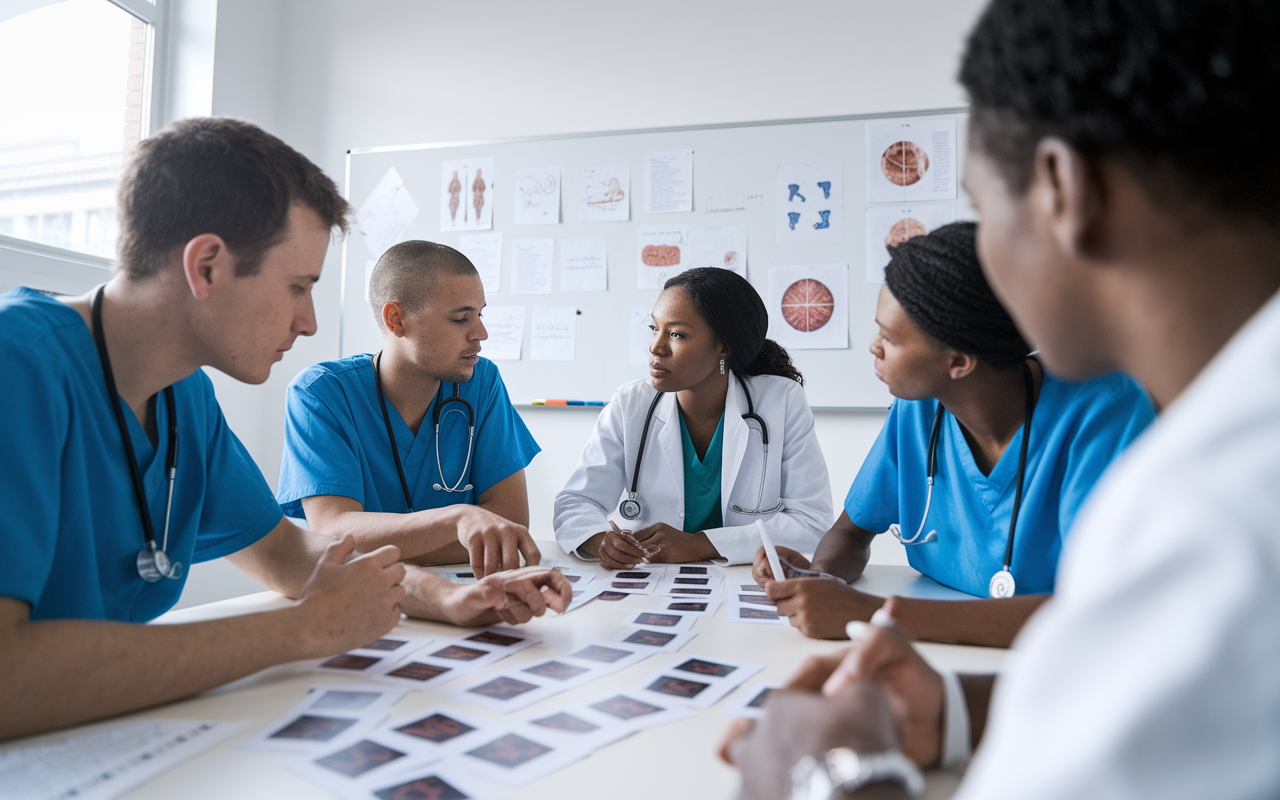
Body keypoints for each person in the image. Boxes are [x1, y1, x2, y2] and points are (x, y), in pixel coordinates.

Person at [724, 0, 1280, 797]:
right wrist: (957, 706)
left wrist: (832, 775)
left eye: (983, 210)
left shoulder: (1212, 512)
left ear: (1063, 187)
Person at [0, 118, 568, 742]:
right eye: (298, 287)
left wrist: (446, 600)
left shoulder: (184, 393)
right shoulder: (18, 363)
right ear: (207, 266)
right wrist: (296, 631)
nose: (309, 322)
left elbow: (288, 551)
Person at [754, 222, 1153, 647]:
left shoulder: (1106, 412)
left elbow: (1101, 609)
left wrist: (873, 615)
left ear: (959, 361)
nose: (874, 347)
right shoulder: (918, 408)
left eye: (889, 336)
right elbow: (851, 533)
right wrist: (820, 578)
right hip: (941, 652)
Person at [278, 240, 543, 580]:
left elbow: (510, 523)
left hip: (466, 588)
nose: (481, 333)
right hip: (362, 598)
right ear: (396, 319)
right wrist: (459, 521)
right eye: (461, 318)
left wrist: (380, 545)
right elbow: (333, 532)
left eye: (480, 314)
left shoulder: (482, 381)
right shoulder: (321, 394)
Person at [555, 267, 832, 567]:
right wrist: (601, 542)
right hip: (648, 581)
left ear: (724, 346)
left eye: (676, 334)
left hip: (743, 582)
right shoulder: (630, 403)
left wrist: (702, 544)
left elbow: (812, 523)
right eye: (653, 329)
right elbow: (575, 503)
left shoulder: (781, 401)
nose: (655, 347)